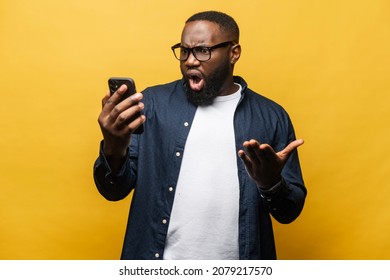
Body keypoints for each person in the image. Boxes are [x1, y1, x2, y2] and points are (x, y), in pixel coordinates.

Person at [93, 10, 307, 260]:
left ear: (233, 53)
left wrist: (271, 184)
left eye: (202, 50)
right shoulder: (151, 106)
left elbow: (289, 212)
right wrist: (114, 147)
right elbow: (112, 191)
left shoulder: (271, 116)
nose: (190, 61)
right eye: (184, 50)